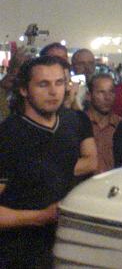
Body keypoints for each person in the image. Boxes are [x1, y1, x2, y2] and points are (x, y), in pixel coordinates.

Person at [0, 56, 95, 266]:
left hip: (66, 249)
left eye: (59, 83)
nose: (53, 92)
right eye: (43, 84)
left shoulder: (71, 123)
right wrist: (40, 216)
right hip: (18, 254)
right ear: (24, 89)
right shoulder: (8, 136)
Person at [84, 72, 121, 173]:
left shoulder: (121, 125)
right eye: (101, 92)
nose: (107, 97)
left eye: (111, 92)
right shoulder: (80, 124)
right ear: (89, 95)